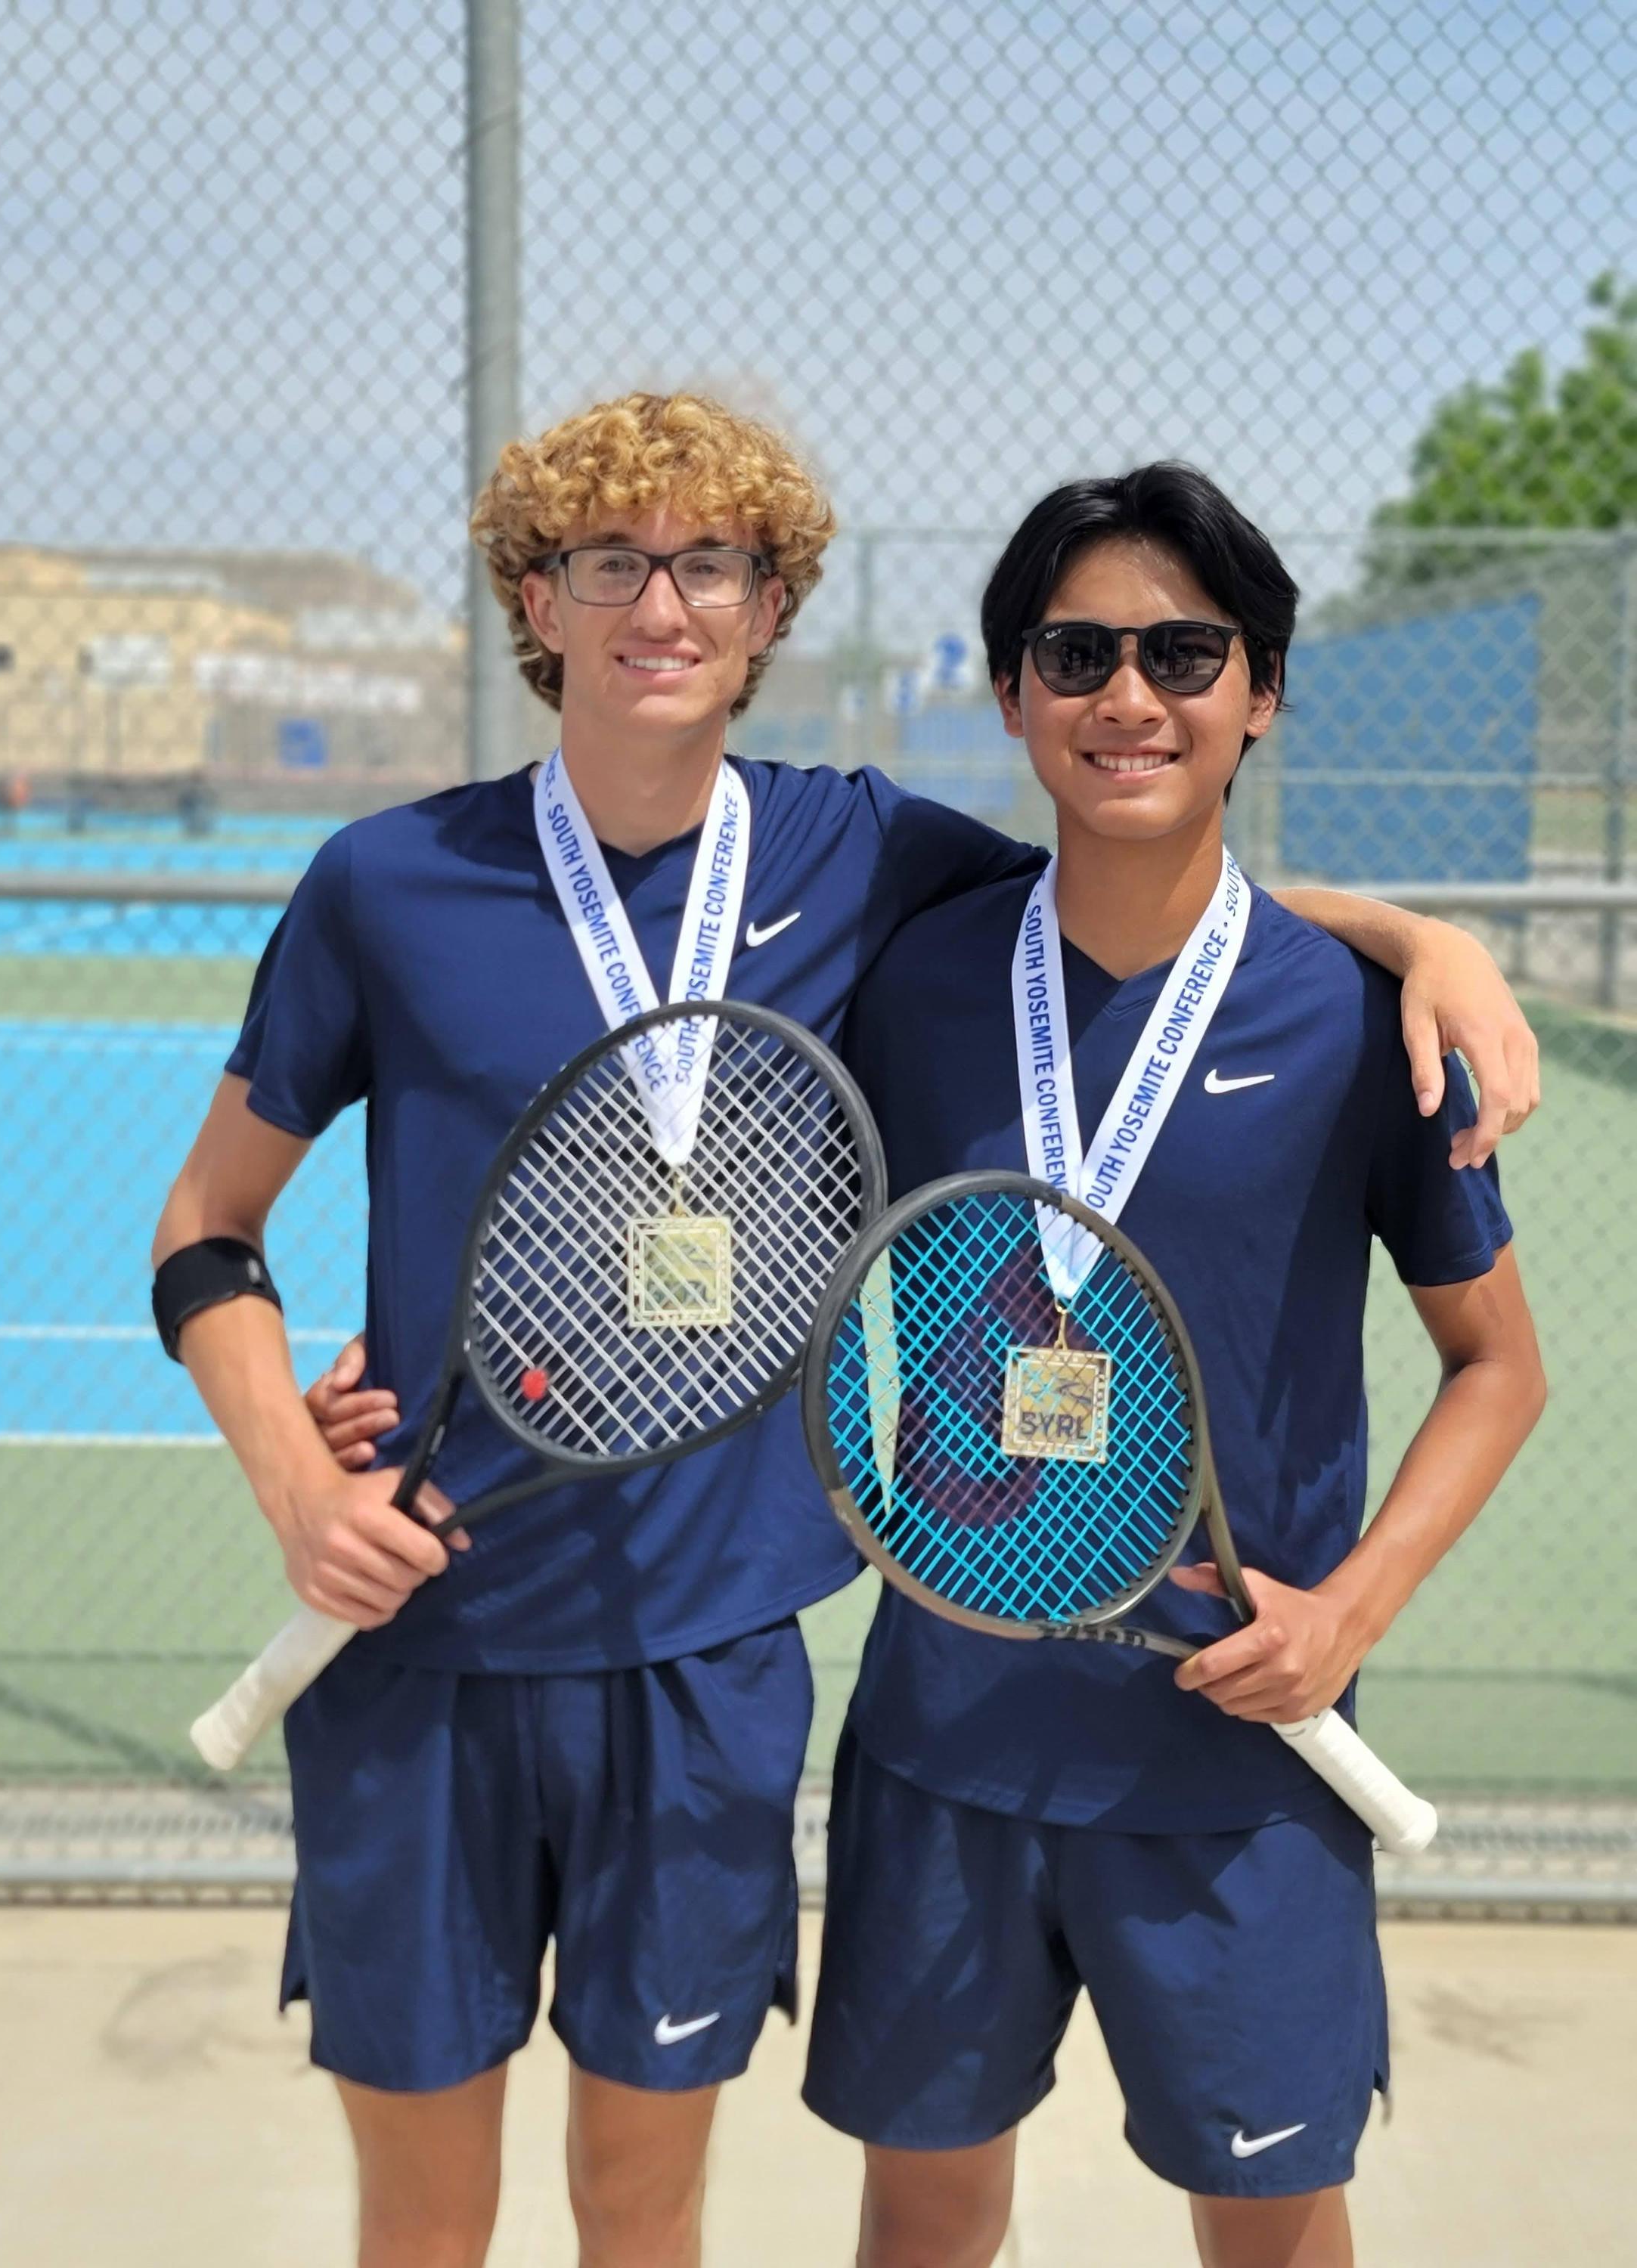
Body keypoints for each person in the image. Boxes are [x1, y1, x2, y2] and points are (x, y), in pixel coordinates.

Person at [166, 394, 1536, 2268]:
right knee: (427, 2220)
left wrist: (1419, 943)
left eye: (710, 563)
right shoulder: (398, 884)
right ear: (535, 598)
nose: (663, 602)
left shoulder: (865, 863)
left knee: (643, 2206)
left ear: (771, 608)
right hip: (444, 1644)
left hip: (716, 1660)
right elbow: (207, 1229)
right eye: (610, 562)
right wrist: (289, 1472)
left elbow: (1156, 882)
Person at [798, 464, 1546, 2268]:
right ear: (1011, 694)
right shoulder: (913, 980)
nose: (1127, 696)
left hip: (1239, 1760)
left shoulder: (1358, 1020)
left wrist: (1349, 1613)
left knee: (1273, 2225)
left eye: (1183, 654)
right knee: (922, 2220)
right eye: (1076, 655)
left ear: (1261, 690)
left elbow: (1498, 1367)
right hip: (947, 1738)